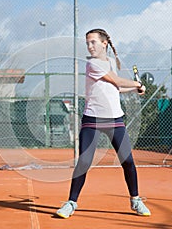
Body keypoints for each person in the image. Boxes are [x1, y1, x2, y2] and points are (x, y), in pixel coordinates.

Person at [56, 28, 151, 218]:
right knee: (84, 161)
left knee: (128, 161)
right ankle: (71, 203)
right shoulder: (92, 64)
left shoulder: (110, 63)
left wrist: (133, 90)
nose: (90, 46)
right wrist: (137, 84)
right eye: (88, 43)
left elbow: (114, 87)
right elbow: (116, 80)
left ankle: (136, 200)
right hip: (92, 120)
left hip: (115, 119)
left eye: (93, 42)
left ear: (104, 43)